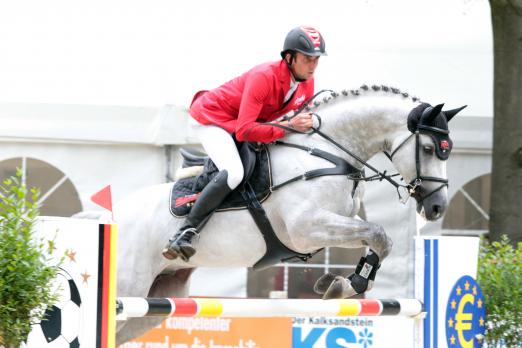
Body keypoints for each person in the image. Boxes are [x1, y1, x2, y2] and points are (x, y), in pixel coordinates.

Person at [162, 26, 327, 261]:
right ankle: (184, 233)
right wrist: (290, 125)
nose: (312, 66)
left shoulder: (306, 84)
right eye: (307, 59)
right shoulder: (264, 77)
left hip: (243, 122)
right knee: (234, 174)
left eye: (316, 60)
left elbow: (283, 122)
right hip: (211, 118)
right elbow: (246, 130)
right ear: (289, 58)